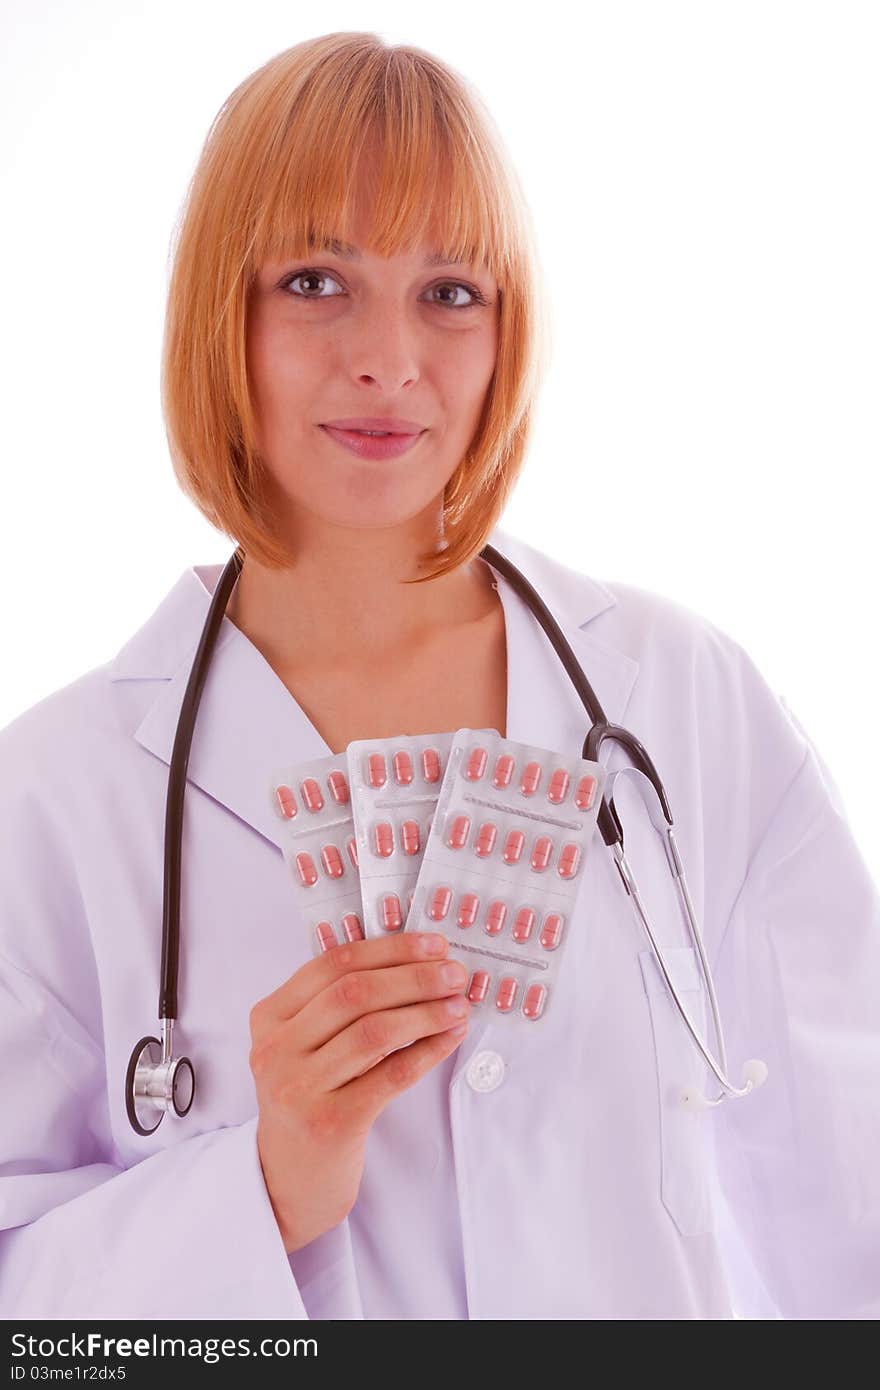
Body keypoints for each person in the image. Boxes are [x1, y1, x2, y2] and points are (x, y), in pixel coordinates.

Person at [1, 31, 878, 1323]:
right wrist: (263, 1179)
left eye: (451, 292)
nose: (389, 359)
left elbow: (847, 1200)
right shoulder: (55, 796)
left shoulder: (683, 699)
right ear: (217, 312)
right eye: (315, 279)